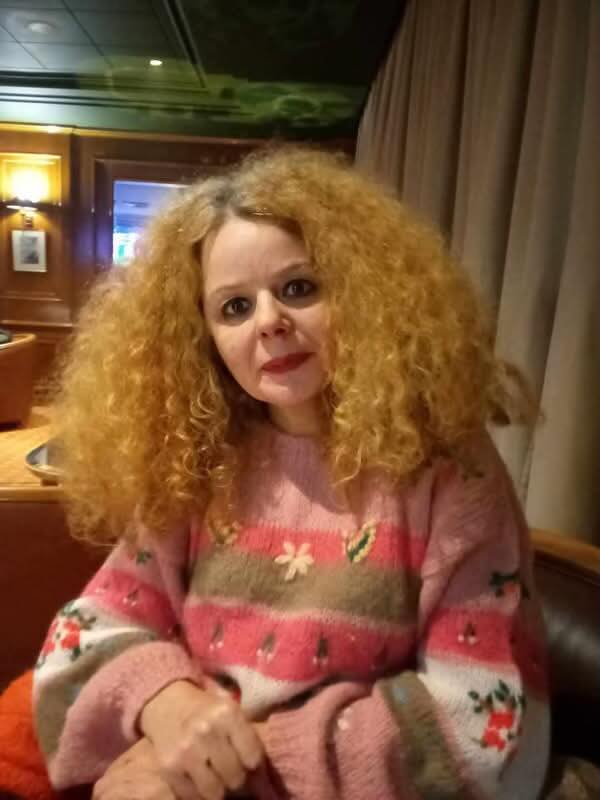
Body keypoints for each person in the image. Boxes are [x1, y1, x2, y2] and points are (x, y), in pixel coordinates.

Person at [33, 145, 550, 800]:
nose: (270, 323)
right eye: (234, 307)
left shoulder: (452, 471)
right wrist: (166, 706)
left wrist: (234, 764)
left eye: (299, 288)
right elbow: (85, 633)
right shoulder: (201, 460)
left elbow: (486, 718)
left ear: (363, 295)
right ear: (205, 339)